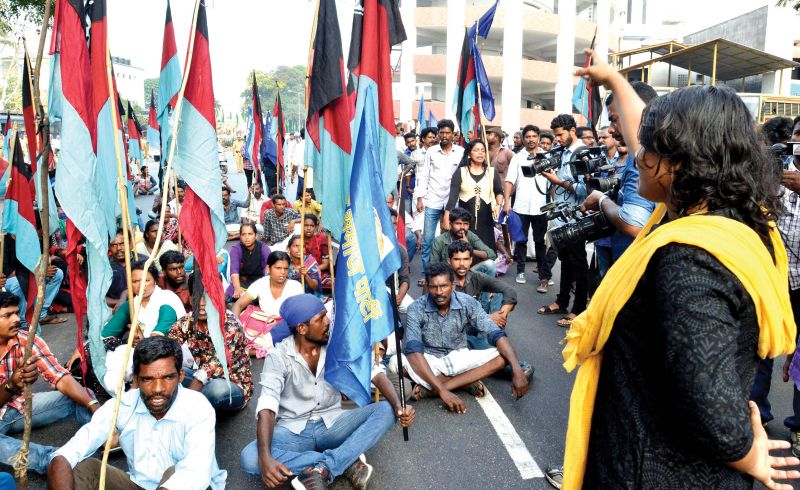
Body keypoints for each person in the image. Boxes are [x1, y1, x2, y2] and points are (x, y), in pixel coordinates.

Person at [560, 53, 800, 489]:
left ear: (678, 162)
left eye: (650, 149)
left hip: (658, 472)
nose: (638, 155)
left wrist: (745, 453)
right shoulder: (724, 220)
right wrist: (614, 79)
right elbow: (639, 139)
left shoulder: (693, 259)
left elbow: (706, 397)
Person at [239, 294, 415, 489]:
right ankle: (344, 462)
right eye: (320, 318)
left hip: (334, 423)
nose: (328, 321)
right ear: (302, 328)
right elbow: (267, 406)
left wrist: (399, 407)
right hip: (293, 429)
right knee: (250, 457)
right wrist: (265, 458)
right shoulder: (278, 356)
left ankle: (327, 466)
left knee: (386, 409)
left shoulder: (337, 344)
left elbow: (375, 373)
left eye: (326, 316)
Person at [47, 336, 227, 489]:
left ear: (180, 376)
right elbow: (65, 455)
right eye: (148, 379)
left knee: (175, 472)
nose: (158, 389)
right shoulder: (122, 406)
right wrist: (62, 462)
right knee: (80, 468)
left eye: (168, 378)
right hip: (139, 484)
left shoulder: (198, 408)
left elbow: (195, 472)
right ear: (136, 379)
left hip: (189, 486)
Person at [402, 263, 529, 412]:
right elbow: (413, 350)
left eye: (444, 286)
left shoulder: (468, 302)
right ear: (427, 287)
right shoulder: (416, 308)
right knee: (396, 363)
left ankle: (432, 390)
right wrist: (444, 393)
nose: (439, 292)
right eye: (433, 287)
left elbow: (496, 333)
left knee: (503, 357)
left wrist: (517, 370)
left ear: (453, 285)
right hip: (429, 359)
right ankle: (464, 382)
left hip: (459, 358)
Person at [0, 292, 97, 475]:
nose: (15, 319)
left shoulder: (25, 339)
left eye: (16, 313)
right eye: (7, 315)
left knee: (80, 394)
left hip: (19, 406)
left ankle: (105, 435)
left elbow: (58, 376)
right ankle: (55, 461)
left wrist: (94, 407)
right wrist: (12, 385)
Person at [579, 82, 658, 267]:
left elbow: (634, 223)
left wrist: (601, 200)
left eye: (615, 119)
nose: (612, 129)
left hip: (637, 265)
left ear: (641, 113)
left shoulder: (640, 152)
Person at [169, 274, 253, 412]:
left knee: (216, 390)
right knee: (168, 374)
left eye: (208, 298)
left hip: (231, 385)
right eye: (197, 297)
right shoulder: (188, 321)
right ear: (190, 299)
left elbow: (212, 367)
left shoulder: (230, 325)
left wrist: (185, 402)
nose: (202, 303)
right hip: (200, 377)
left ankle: (186, 413)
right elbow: (169, 345)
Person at [765, 116, 800, 449]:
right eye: (797, 135)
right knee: (761, 348)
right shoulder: (773, 170)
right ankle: (756, 414)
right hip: (774, 280)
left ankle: (799, 425)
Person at [101, 260, 186, 390]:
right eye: (135, 282)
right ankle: (119, 396)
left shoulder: (167, 298)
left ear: (155, 281)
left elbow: (161, 331)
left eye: (146, 281)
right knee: (116, 354)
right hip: (142, 352)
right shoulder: (131, 304)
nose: (140, 286)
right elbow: (105, 333)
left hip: (170, 353)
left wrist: (143, 342)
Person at [538, 114, 588, 328]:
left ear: (572, 130)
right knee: (566, 261)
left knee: (578, 263)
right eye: (556, 135)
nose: (557, 139)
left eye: (560, 135)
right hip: (561, 216)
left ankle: (579, 309)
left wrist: (558, 181)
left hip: (576, 217)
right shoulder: (561, 152)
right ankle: (562, 302)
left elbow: (587, 190)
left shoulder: (583, 153)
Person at [504, 124, 555, 291]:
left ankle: (543, 274)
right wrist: (506, 203)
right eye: (527, 137)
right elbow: (509, 181)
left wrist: (554, 204)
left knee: (540, 242)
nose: (531, 139)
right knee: (521, 240)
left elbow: (553, 182)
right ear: (523, 138)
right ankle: (520, 271)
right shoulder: (517, 158)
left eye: (534, 136)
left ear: (538, 138)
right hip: (521, 206)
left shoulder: (547, 156)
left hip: (541, 207)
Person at [413, 119, 465, 277]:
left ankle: (450, 273)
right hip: (433, 200)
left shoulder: (461, 152)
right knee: (428, 239)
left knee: (453, 238)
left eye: (447, 133)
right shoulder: (431, 151)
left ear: (453, 134)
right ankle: (428, 274)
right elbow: (424, 175)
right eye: (441, 133)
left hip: (453, 202)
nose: (444, 136)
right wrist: (420, 197)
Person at [444, 140, 503, 250]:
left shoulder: (492, 172)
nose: (480, 153)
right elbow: (452, 198)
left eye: (482, 151)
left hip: (486, 221)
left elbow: (499, 192)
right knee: (465, 252)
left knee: (486, 252)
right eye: (476, 150)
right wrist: (447, 217)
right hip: (465, 222)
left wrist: (498, 205)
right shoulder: (460, 172)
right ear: (469, 154)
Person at [430, 207, 496, 277]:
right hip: (448, 277)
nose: (462, 227)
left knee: (490, 264)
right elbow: (433, 266)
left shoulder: (470, 235)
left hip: (467, 274)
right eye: (458, 223)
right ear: (450, 224)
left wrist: (469, 248)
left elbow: (492, 255)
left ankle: (485, 287)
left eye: (465, 224)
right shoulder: (439, 241)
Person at [106, 230, 148, 310]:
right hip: (113, 309)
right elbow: (98, 297)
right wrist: (121, 302)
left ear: (130, 244)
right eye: (114, 245)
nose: (118, 248)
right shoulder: (104, 265)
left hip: (141, 307)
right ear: (109, 246)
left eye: (122, 244)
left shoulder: (143, 260)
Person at [228, 223, 271, 300]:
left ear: (256, 235)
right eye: (243, 234)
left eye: (250, 234)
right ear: (240, 236)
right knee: (231, 291)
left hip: (260, 281)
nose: (246, 237)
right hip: (242, 281)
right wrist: (237, 288)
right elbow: (234, 270)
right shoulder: (236, 249)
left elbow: (268, 269)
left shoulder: (264, 248)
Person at [301, 214, 331, 290]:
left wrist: (311, 270)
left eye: (312, 226)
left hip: (318, 272)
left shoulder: (321, 239)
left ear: (315, 227)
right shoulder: (298, 240)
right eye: (306, 225)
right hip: (300, 272)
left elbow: (325, 264)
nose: (308, 228)